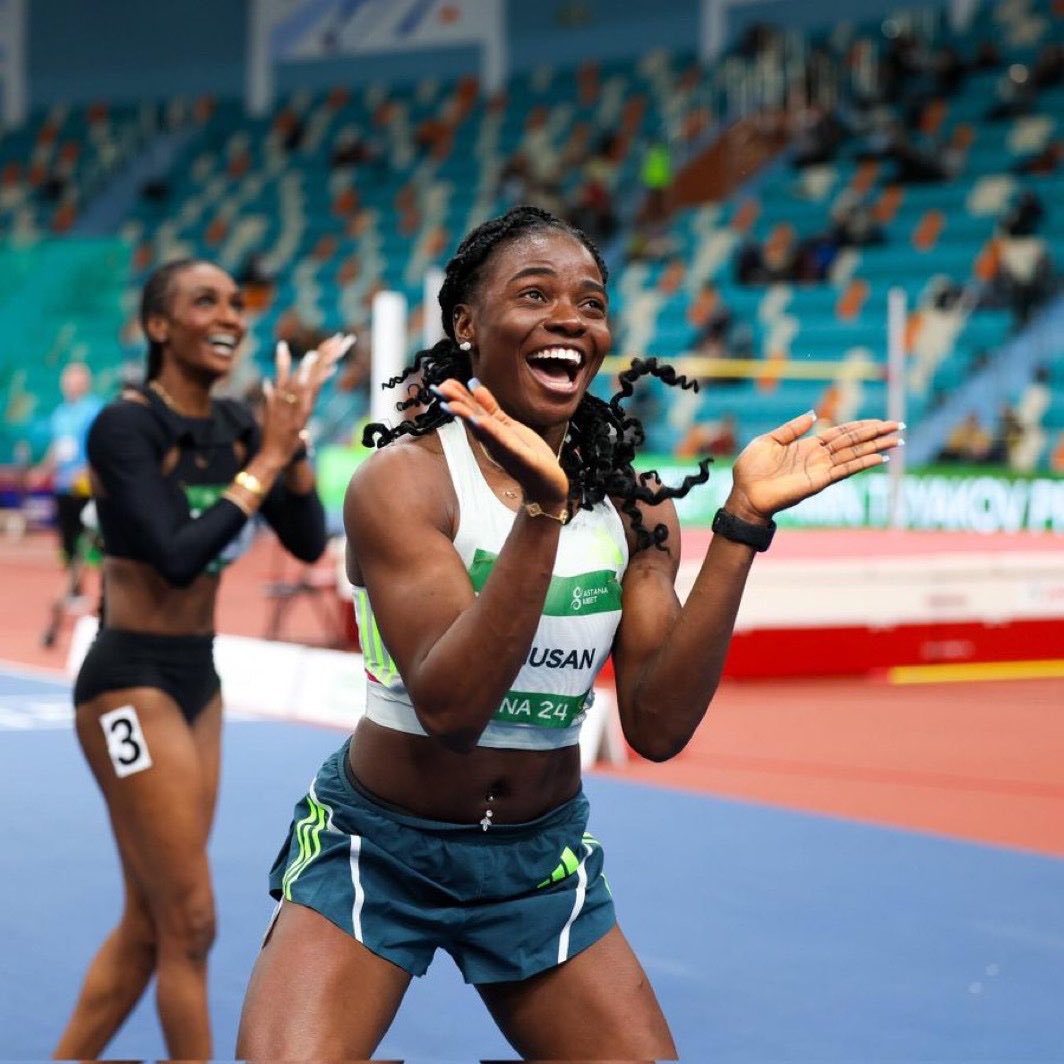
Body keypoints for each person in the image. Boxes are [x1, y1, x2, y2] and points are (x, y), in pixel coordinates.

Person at [236, 205, 902, 1060]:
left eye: (590, 302)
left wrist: (739, 527)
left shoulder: (634, 504)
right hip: (380, 847)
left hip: (539, 862)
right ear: (467, 325)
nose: (569, 319)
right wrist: (543, 515)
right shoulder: (404, 484)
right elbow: (451, 707)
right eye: (536, 294)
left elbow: (657, 729)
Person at [54, 259, 348, 1061]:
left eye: (235, 303)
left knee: (153, 923)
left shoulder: (239, 426)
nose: (231, 315)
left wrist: (293, 444)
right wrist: (265, 459)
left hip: (199, 680)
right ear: (159, 327)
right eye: (204, 301)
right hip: (125, 684)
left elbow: (308, 539)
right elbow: (178, 557)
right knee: (191, 920)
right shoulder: (125, 427)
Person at [29, 361, 104, 647]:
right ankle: (74, 591)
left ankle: (104, 597)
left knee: (95, 543)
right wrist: (43, 469)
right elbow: (57, 447)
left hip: (86, 488)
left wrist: (87, 470)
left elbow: (101, 444)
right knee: (68, 543)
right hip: (63, 487)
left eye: (76, 380)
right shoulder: (61, 413)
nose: (71, 384)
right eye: (67, 380)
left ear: (85, 382)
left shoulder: (94, 409)